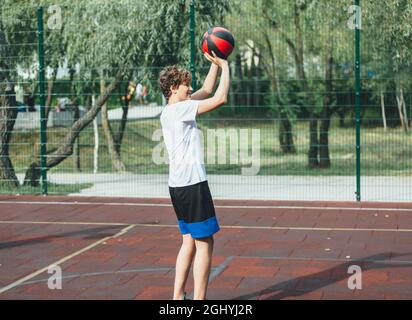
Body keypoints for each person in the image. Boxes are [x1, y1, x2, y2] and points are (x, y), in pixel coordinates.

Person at [158, 51, 230, 300]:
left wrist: (215, 64)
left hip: (177, 186)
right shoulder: (180, 111)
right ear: (175, 87)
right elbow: (220, 98)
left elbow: (208, 89)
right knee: (205, 243)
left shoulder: (170, 111)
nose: (190, 89)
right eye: (187, 86)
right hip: (192, 184)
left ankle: (178, 298)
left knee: (188, 240)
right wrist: (227, 66)